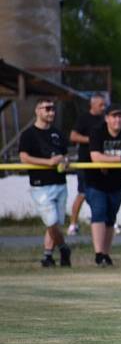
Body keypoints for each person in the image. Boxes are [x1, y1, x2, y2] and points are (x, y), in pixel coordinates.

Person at [86, 103, 121, 267]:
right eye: (114, 116)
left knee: (111, 218)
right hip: (96, 181)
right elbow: (95, 156)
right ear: (106, 118)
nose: (118, 119)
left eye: (120, 116)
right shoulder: (97, 131)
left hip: (116, 182)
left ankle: (105, 253)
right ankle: (98, 254)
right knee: (99, 212)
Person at [18, 97, 72, 267]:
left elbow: (65, 154)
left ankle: (48, 256)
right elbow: (24, 157)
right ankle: (63, 248)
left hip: (60, 183)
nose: (51, 112)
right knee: (51, 222)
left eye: (53, 108)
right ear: (37, 111)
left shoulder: (57, 133)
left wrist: (65, 160)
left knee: (55, 223)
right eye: (47, 108)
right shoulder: (28, 134)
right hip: (41, 184)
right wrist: (48, 163)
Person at [68, 93, 106, 236]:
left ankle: (109, 222)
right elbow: (73, 136)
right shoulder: (84, 118)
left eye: (104, 105)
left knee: (104, 194)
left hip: (101, 163)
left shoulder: (105, 119)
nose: (103, 108)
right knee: (82, 193)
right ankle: (73, 224)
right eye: (100, 105)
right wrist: (92, 140)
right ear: (93, 104)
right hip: (85, 162)